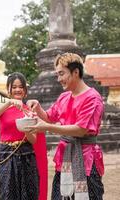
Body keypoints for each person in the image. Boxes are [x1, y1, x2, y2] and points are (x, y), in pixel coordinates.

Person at [26, 53, 104, 200]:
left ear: (76, 72)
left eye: (61, 73)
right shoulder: (64, 97)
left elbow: (81, 129)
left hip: (85, 158)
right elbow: (50, 117)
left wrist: (48, 128)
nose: (59, 79)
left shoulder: (92, 98)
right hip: (65, 159)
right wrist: (37, 108)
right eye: (57, 74)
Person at [0, 72, 47, 200]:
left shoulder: (29, 110)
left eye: (21, 87)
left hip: (26, 155)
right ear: (9, 89)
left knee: (28, 192)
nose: (17, 90)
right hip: (7, 154)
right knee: (7, 192)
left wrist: (25, 128)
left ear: (25, 90)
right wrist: (9, 103)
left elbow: (33, 140)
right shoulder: (2, 108)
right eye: (14, 87)